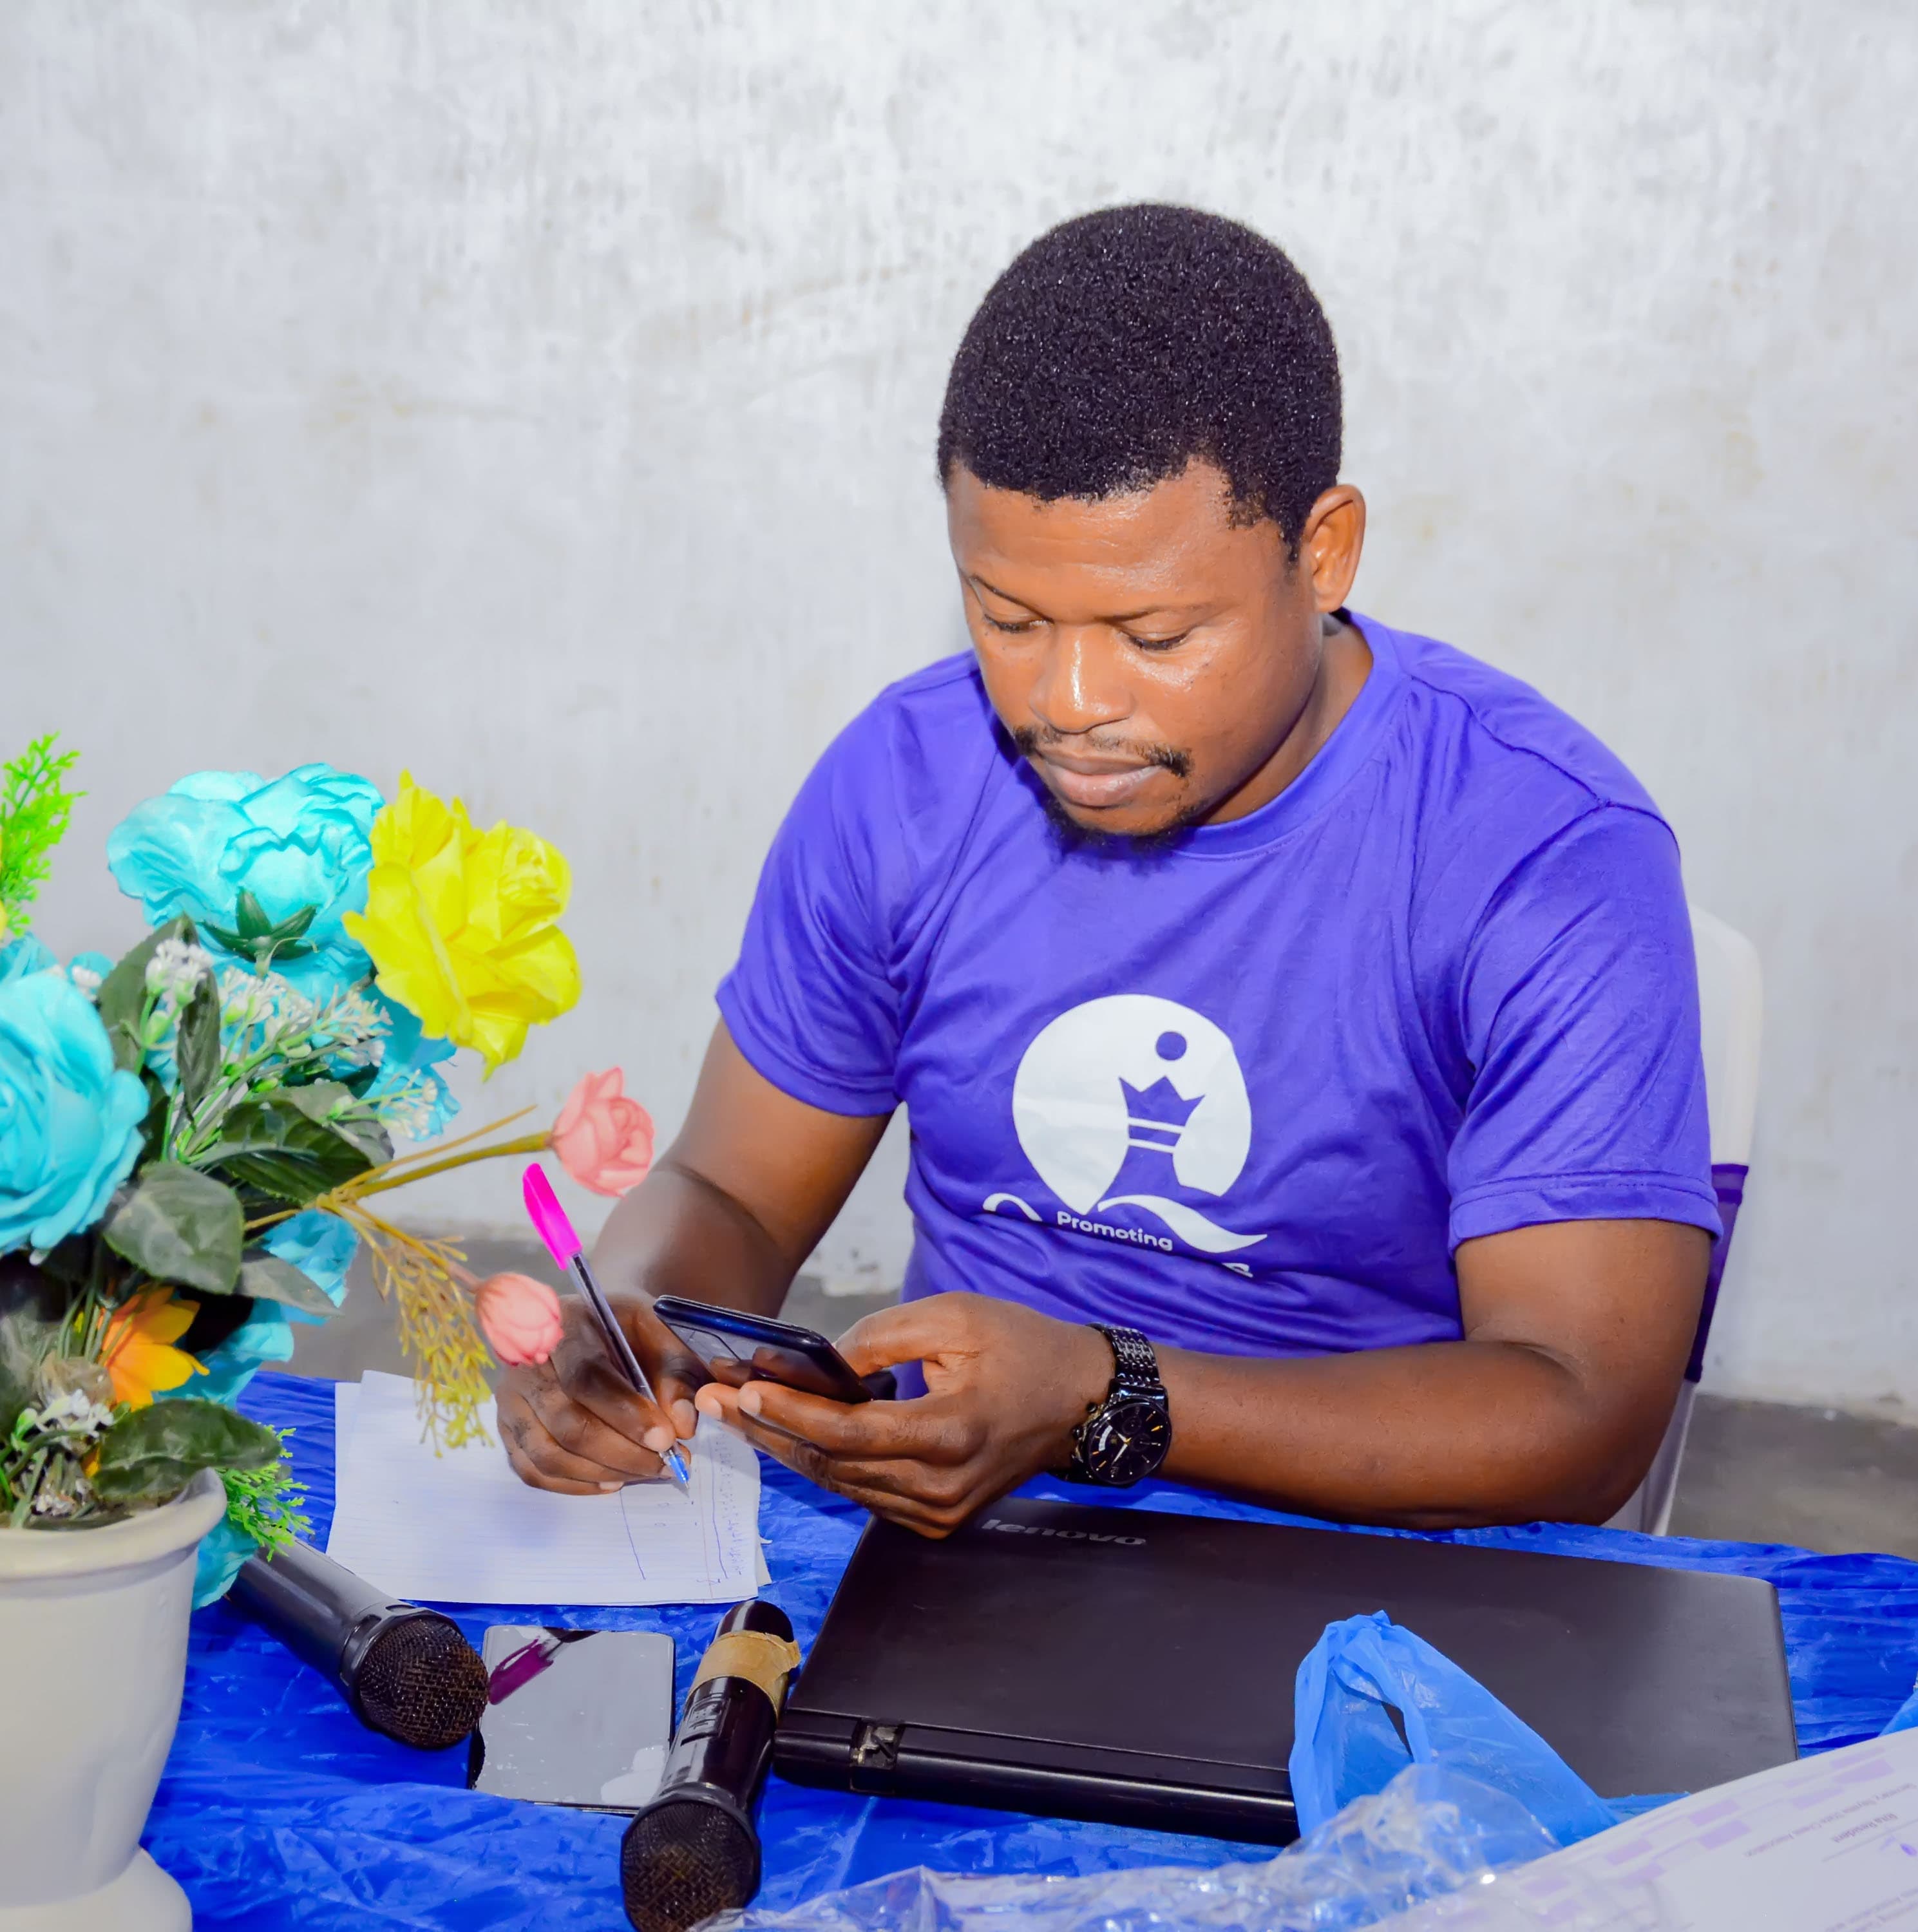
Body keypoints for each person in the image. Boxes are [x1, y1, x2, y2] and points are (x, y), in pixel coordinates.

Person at [500, 204, 1720, 1535]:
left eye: (1155, 631)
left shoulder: (1539, 852)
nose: (1067, 701)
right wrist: (629, 1333)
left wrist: (1103, 1398)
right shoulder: (906, 782)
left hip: (1373, 1571)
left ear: (1322, 554)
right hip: (954, 1542)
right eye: (1007, 617)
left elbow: (1579, 1411)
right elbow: (728, 1190)